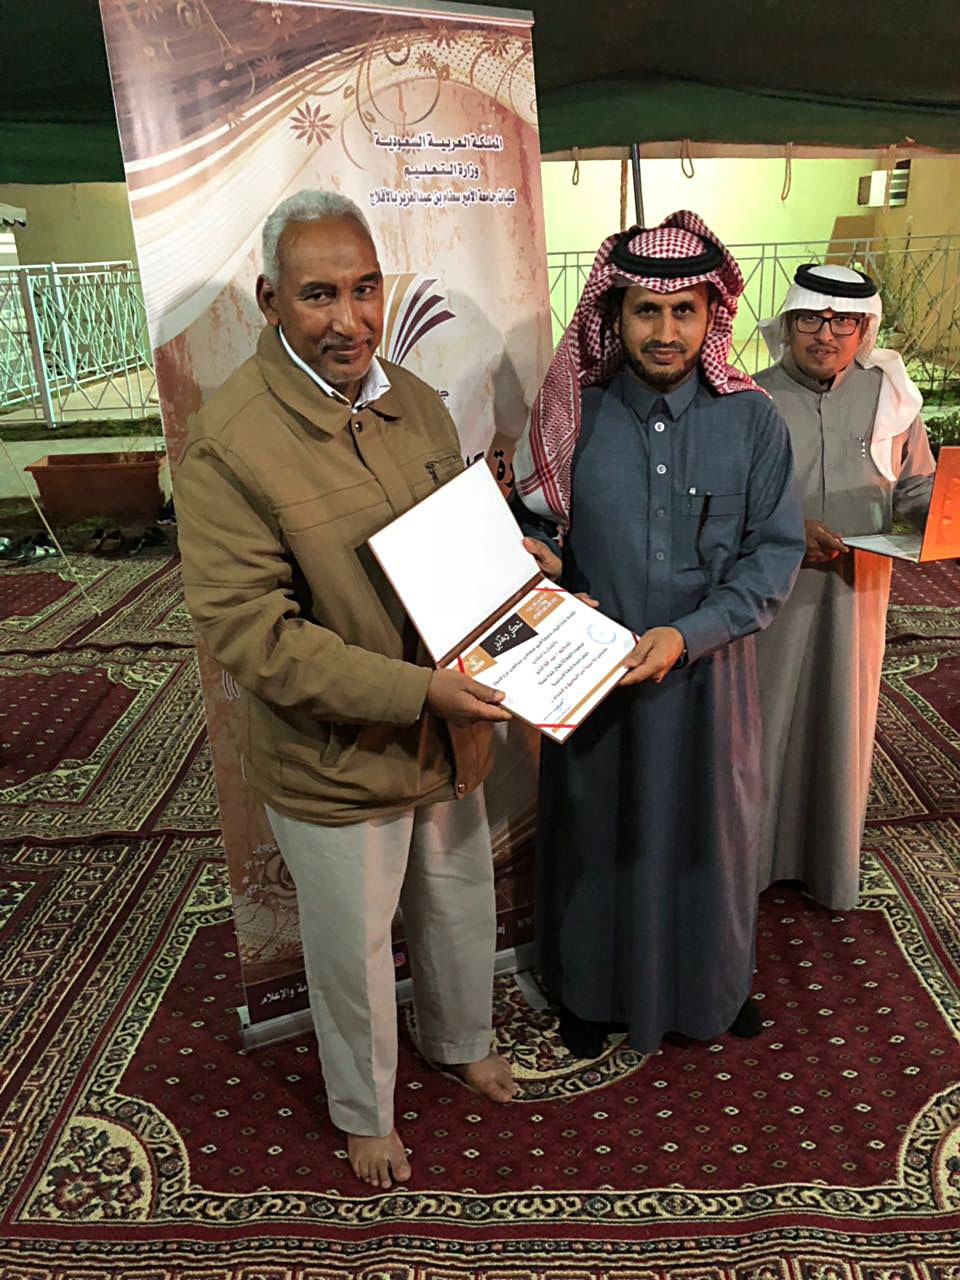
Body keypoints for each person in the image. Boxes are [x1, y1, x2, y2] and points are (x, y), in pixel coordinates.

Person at [174, 190, 517, 1191]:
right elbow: (257, 636)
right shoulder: (231, 442)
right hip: (338, 749)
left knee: (458, 895)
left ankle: (461, 1039)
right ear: (270, 300)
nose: (351, 319)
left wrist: (516, 570)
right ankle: (365, 1111)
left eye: (366, 289)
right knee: (355, 949)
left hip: (445, 724)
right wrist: (417, 692)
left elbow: (453, 533)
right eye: (319, 294)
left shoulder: (409, 397)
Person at [509, 210, 805, 1060]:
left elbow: (772, 556)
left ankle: (712, 987)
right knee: (594, 835)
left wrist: (687, 633)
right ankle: (589, 994)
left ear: (713, 317)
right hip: (593, 681)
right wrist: (543, 565)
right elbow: (545, 537)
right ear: (616, 315)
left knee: (711, 841)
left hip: (709, 682)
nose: (665, 331)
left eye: (684, 312)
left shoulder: (753, 422)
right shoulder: (576, 413)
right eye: (646, 311)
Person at [754, 263, 935, 910]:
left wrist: (937, 514)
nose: (825, 334)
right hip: (770, 594)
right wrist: (785, 533)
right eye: (811, 318)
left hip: (858, 593)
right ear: (788, 324)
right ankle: (751, 866)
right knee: (763, 724)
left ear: (865, 330)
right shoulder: (751, 398)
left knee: (842, 724)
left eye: (843, 322)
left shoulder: (890, 399)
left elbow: (916, 487)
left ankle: (827, 867)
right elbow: (722, 503)